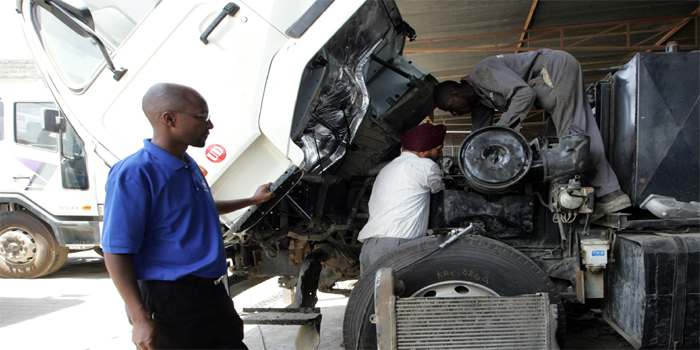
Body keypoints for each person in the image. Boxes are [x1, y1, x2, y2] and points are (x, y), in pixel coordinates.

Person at [102, 83, 275, 350]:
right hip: (172, 299)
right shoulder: (135, 173)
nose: (210, 125)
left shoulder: (186, 162)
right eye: (201, 117)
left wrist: (253, 200)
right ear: (169, 119)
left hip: (211, 293)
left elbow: (200, 207)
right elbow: (115, 251)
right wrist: (140, 319)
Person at [433, 49, 630, 220]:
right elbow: (480, 139)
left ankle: (610, 194)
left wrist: (501, 133)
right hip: (542, 85)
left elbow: (524, 95)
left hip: (553, 69)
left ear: (457, 95)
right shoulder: (479, 101)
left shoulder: (483, 72)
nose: (455, 114)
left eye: (452, 108)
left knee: (573, 138)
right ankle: (579, 198)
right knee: (554, 145)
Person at [357, 123, 446, 274]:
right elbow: (441, 190)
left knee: (371, 297)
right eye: (438, 150)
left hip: (369, 248)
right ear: (424, 152)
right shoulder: (425, 166)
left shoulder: (387, 168)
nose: (440, 155)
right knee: (402, 295)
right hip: (396, 247)